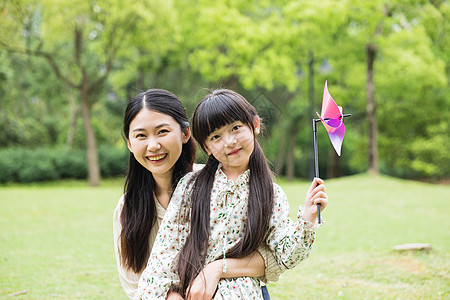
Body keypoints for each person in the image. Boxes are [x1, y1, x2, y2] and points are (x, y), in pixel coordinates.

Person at [137, 89, 328, 299]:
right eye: (216, 136)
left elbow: (283, 256)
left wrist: (307, 220)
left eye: (236, 128)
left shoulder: (271, 194)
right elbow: (164, 254)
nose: (229, 142)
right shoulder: (190, 187)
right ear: (207, 147)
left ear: (254, 125)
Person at [113, 89, 281, 300]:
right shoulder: (127, 207)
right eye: (141, 136)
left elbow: (270, 255)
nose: (153, 145)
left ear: (185, 134)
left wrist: (217, 269)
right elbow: (134, 283)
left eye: (162, 131)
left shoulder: (221, 184)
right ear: (129, 143)